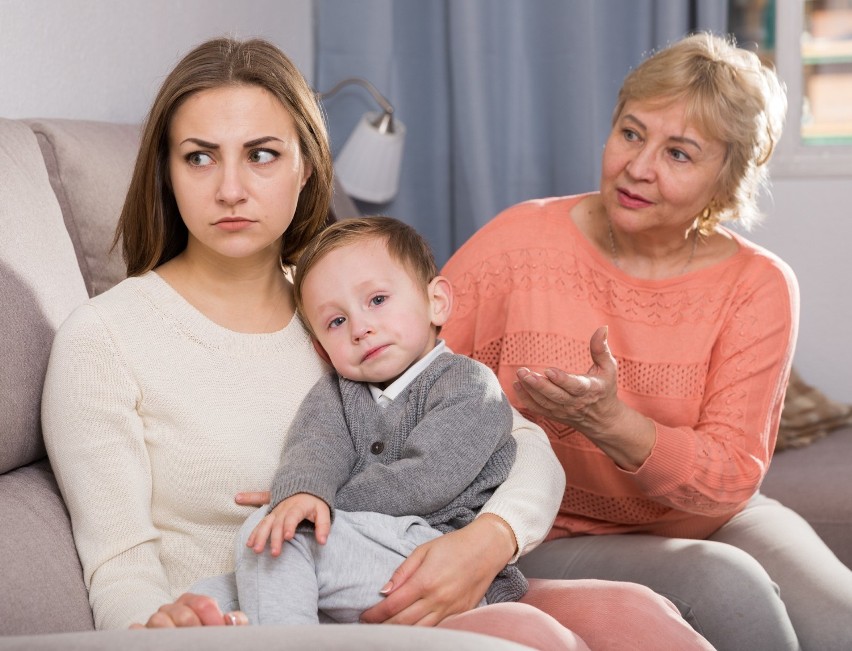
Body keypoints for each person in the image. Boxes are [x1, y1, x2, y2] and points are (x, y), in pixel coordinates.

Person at [39, 35, 715, 651]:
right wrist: (164, 623)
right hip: (261, 618)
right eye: (200, 158)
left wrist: (488, 540)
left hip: (410, 572)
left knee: (641, 616)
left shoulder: (344, 307)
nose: (231, 188)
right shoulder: (105, 338)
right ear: (167, 171)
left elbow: (520, 445)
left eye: (262, 154)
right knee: (531, 638)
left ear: (306, 165)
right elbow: (119, 568)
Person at [441, 31, 852, 651]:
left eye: (679, 154)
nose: (638, 167)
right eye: (631, 133)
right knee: (726, 587)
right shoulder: (517, 242)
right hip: (549, 531)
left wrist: (609, 422)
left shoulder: (758, 285)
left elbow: (727, 479)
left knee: (841, 617)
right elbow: (410, 373)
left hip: (712, 517)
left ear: (727, 178)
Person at [192, 215, 524, 624]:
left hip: (438, 557)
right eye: (337, 321)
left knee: (277, 535)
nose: (361, 328)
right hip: (361, 556)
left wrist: (323, 505)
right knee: (208, 592)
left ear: (435, 301)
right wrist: (302, 492)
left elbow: (427, 480)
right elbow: (314, 448)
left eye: (378, 300)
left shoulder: (468, 384)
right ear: (321, 348)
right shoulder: (336, 393)